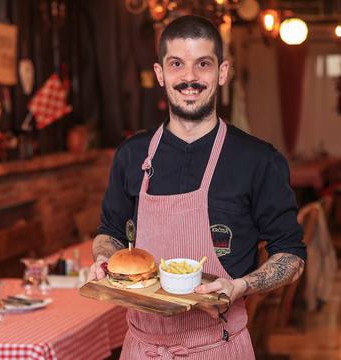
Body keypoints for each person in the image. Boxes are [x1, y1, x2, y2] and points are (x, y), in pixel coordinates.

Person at [88, 15, 306, 359]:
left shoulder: (258, 160)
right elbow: (109, 232)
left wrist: (239, 286)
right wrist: (103, 259)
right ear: (160, 73)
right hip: (141, 349)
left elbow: (291, 257)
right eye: (177, 64)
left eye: (202, 64)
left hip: (217, 347)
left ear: (222, 72)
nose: (189, 77)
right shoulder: (132, 155)